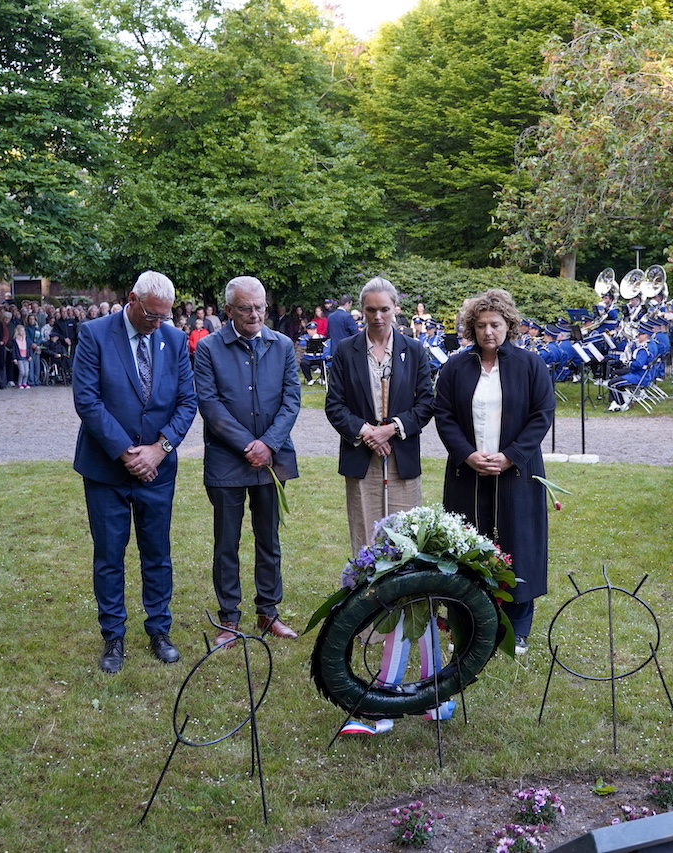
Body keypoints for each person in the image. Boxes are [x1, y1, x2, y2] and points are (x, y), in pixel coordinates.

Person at [325, 277, 439, 725]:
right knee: (368, 538)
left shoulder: (416, 350)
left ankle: (410, 620)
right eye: (370, 310)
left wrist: (393, 428)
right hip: (362, 457)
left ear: (397, 309)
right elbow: (334, 405)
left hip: (402, 454)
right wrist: (365, 432)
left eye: (384, 310)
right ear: (362, 311)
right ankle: (371, 622)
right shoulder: (345, 351)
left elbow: (426, 403)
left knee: (408, 542)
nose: (377, 317)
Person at [72, 270, 198, 675]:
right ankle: (113, 636)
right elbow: (88, 401)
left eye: (164, 316)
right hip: (106, 469)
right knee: (109, 556)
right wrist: (127, 453)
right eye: (151, 315)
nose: (157, 323)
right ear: (132, 299)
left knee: (157, 552)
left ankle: (159, 630)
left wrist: (159, 450)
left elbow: (186, 401)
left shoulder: (175, 340)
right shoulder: (94, 334)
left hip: (157, 471)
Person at [433, 289, 556, 654]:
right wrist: (467, 455)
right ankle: (465, 626)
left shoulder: (530, 365)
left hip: (517, 473)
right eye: (482, 325)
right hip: (467, 474)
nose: (489, 332)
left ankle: (516, 629)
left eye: (496, 325)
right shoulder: (455, 367)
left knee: (519, 546)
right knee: (467, 549)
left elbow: (542, 414)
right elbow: (445, 416)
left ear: (509, 326)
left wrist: (511, 456)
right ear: (472, 327)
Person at [194, 276, 302, 644]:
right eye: (246, 308)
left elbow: (291, 400)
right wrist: (248, 445)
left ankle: (268, 613)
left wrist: (268, 444)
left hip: (272, 459)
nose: (255, 314)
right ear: (228, 310)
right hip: (228, 461)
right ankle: (229, 618)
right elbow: (210, 404)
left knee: (268, 539)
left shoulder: (283, 345)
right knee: (227, 541)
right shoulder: (208, 348)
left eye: (260, 307)